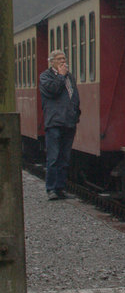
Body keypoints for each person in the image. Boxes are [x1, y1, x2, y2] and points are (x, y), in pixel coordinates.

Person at [39, 49, 81, 201]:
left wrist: (76, 113)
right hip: (54, 123)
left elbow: (74, 96)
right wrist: (61, 76)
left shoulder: (70, 77)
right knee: (53, 157)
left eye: (64, 58)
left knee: (65, 158)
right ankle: (51, 188)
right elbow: (53, 91)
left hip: (69, 123)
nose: (63, 62)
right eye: (59, 59)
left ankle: (61, 188)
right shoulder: (45, 77)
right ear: (52, 62)